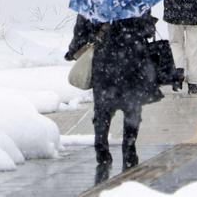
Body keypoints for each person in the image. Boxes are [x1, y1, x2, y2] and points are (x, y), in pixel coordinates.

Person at [66, 12, 160, 173]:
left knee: (102, 109)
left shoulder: (95, 0)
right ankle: (129, 148)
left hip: (104, 62)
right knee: (132, 109)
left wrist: (73, 50)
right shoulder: (135, 0)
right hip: (132, 60)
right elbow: (147, 29)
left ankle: (101, 148)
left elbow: (81, 30)